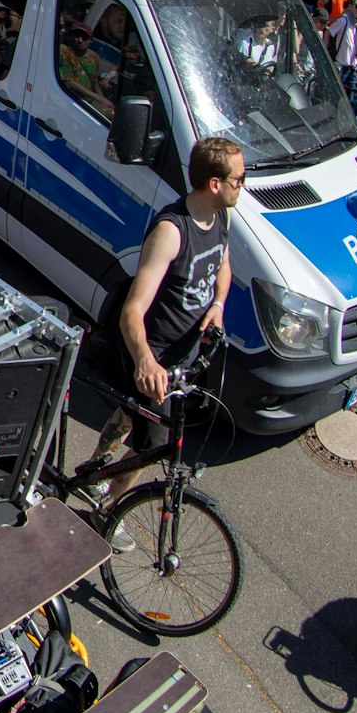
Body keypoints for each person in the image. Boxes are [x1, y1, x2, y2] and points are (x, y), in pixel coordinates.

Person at [86, 138, 241, 550]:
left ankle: (94, 469)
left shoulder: (221, 217)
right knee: (151, 446)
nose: (242, 187)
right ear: (213, 183)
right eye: (238, 180)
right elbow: (131, 310)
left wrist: (219, 305)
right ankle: (107, 511)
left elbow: (224, 268)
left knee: (127, 412)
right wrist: (145, 362)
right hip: (153, 356)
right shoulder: (172, 233)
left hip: (184, 357)